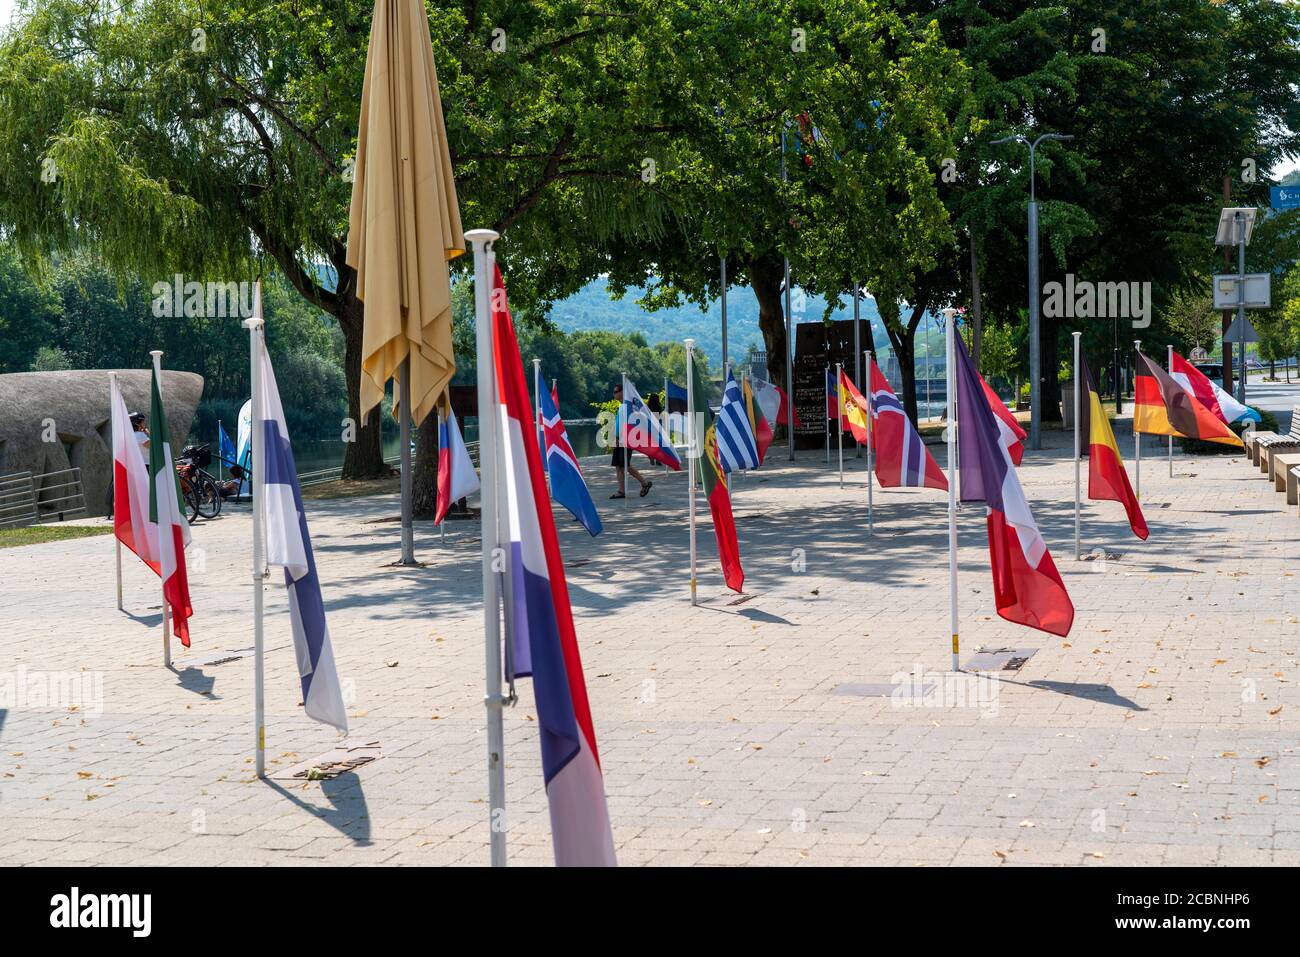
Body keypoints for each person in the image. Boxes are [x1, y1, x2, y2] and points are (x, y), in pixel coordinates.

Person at [610, 382, 652, 499]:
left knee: (624, 465)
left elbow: (629, 423)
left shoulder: (627, 406)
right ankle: (622, 491)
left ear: (623, 392)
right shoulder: (621, 406)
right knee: (619, 466)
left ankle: (644, 483)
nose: (614, 394)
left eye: (616, 392)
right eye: (614, 392)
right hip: (619, 439)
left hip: (625, 439)